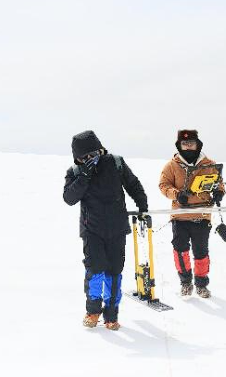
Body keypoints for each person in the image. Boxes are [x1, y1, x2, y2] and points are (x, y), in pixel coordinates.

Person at [63, 130, 148, 330]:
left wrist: (142, 205)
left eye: (92, 154)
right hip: (92, 229)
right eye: (83, 157)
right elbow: (69, 198)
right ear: (77, 158)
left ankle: (111, 315)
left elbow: (133, 184)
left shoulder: (115, 163)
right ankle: (93, 312)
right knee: (95, 270)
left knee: (114, 271)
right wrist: (84, 176)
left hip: (117, 227)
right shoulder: (75, 172)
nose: (89, 159)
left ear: (100, 150)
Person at [159, 129, 225, 298]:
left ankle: (201, 285)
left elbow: (219, 182)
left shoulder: (209, 164)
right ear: (179, 145)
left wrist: (219, 192)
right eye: (184, 143)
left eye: (191, 143)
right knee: (180, 250)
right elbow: (164, 185)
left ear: (198, 144)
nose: (188, 146)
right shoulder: (171, 165)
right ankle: (186, 282)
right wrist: (176, 194)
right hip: (180, 216)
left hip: (202, 215)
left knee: (201, 252)